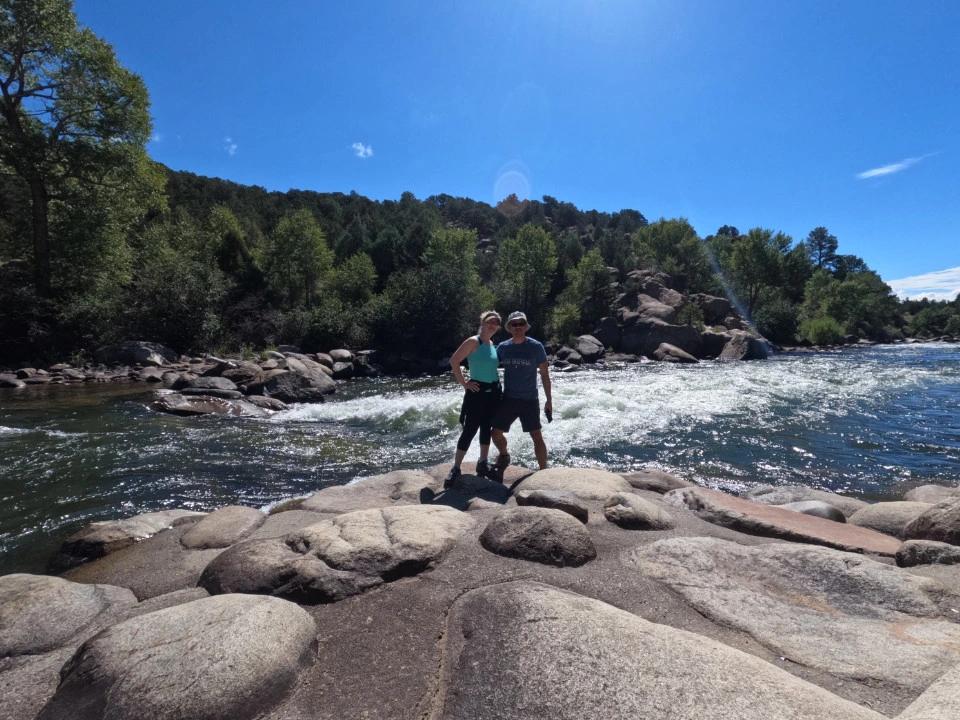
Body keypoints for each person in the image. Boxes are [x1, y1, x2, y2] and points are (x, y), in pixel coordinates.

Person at [489, 311, 552, 478]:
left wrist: (549, 400)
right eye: (514, 324)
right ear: (509, 327)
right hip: (508, 398)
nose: (518, 327)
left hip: (530, 399)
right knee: (495, 432)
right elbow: (488, 367)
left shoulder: (536, 347)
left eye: (521, 324)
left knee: (536, 435)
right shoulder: (502, 347)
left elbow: (545, 375)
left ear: (526, 326)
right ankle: (504, 455)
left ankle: (544, 472)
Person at [444, 311, 503, 488]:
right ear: (482, 323)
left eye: (496, 323)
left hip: (493, 392)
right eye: (490, 321)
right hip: (477, 392)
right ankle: (456, 468)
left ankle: (482, 462)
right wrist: (465, 384)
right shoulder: (473, 341)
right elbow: (454, 361)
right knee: (470, 429)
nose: (493, 325)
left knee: (486, 428)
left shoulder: (492, 344)